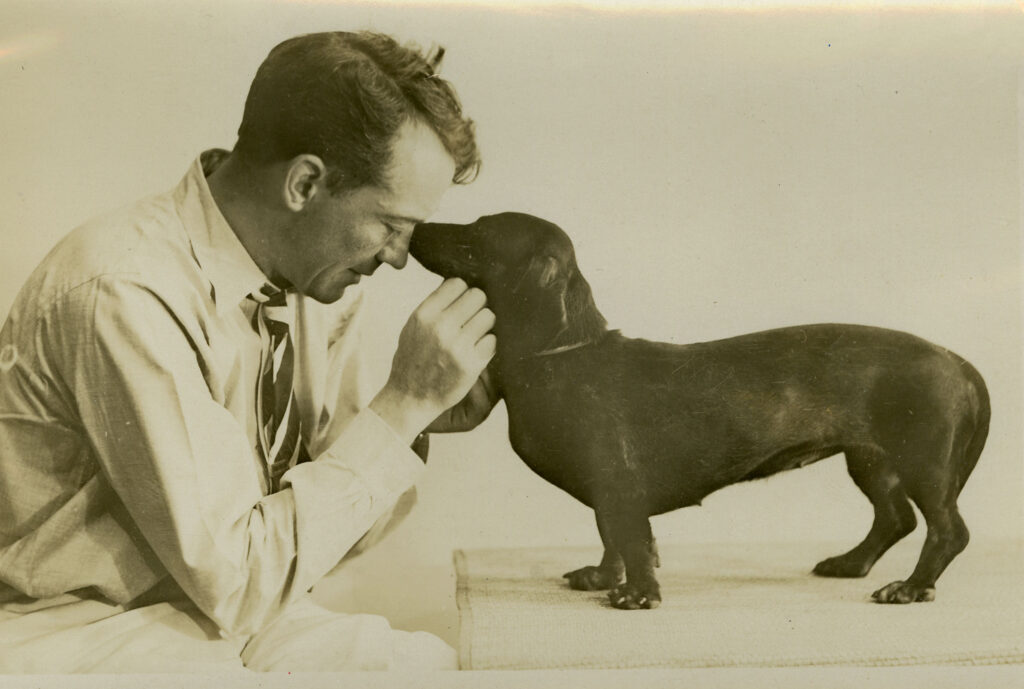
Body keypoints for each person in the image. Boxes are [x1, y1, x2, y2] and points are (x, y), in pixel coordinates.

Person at [0, 31, 497, 672]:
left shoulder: (316, 284)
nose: (400, 258)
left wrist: (414, 422)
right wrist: (400, 406)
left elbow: (306, 551)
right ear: (305, 183)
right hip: (79, 635)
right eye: (392, 226)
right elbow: (237, 577)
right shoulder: (124, 291)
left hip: (226, 620)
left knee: (449, 671)